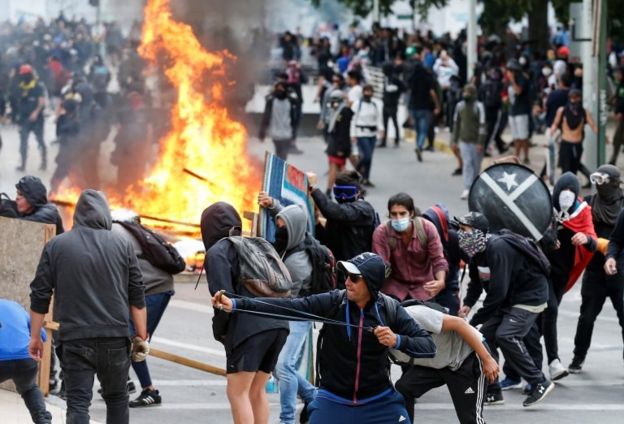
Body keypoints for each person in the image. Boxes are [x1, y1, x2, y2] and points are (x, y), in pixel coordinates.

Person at [212, 252, 437, 424]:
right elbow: (288, 307)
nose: (347, 282)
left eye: (355, 278)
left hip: (379, 401)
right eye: (346, 276)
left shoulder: (390, 309)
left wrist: (397, 340)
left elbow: (428, 346)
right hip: (333, 400)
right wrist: (237, 304)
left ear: (371, 283)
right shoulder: (333, 302)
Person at [29, 189, 148, 424]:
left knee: (77, 403)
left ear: (78, 214)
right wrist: (141, 335)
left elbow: (40, 295)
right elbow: (137, 294)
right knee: (116, 398)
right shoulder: (123, 244)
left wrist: (35, 337)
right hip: (115, 337)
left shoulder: (57, 245)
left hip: (74, 338)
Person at [200, 202, 289, 424]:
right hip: (279, 323)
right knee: (256, 391)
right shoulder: (256, 244)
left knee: (237, 392)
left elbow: (223, 299)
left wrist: (219, 332)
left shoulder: (218, 251)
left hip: (249, 328)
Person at [456, 212, 554, 407]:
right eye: (459, 230)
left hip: (530, 295)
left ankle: (539, 381)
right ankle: (493, 391)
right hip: (510, 298)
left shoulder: (497, 249)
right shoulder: (475, 252)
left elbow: (497, 294)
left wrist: (473, 321)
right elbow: (476, 283)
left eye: (464, 230)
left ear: (478, 232)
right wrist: (467, 304)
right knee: (483, 337)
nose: (460, 234)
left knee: (506, 335)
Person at [257, 194, 318, 424]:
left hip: (297, 315)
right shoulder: (296, 235)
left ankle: (287, 419)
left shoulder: (297, 262)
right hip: (286, 313)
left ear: (292, 230)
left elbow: (283, 296)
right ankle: (312, 395)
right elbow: (287, 218)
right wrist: (273, 206)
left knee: (283, 365)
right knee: (279, 365)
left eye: (282, 228)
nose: (278, 230)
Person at [111, 210, 178, 408]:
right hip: (151, 288)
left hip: (153, 289)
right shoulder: (125, 230)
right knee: (129, 337)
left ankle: (150, 391)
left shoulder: (114, 232)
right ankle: (124, 381)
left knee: (136, 340)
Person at [394, 302, 499, 423]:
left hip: (466, 356)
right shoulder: (376, 338)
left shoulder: (413, 315)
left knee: (470, 419)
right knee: (403, 389)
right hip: (437, 361)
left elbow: (459, 323)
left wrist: (487, 359)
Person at [570, 165, 624, 372]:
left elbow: (617, 241)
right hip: (594, 271)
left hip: (620, 273)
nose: (599, 187)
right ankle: (578, 356)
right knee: (586, 317)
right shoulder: (589, 204)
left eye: (603, 182)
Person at [372, 193, 448, 302]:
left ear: (411, 213)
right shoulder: (382, 232)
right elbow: (380, 264)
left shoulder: (427, 228)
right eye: (394, 214)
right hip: (394, 288)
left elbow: (438, 259)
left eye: (402, 213)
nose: (398, 218)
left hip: (424, 289)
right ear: (389, 215)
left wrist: (440, 281)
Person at [0, 299, 52, 424]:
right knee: (29, 389)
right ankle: (43, 421)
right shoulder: (15, 306)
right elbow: (42, 335)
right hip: (26, 359)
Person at [310, 170, 377, 263]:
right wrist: (317, 224)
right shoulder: (337, 213)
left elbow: (335, 211)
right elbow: (327, 241)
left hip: (357, 268)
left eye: (348, 192)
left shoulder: (364, 210)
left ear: (358, 192)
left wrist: (314, 190)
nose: (343, 197)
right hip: (339, 267)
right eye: (338, 192)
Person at [422, 204, 463, 315]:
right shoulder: (421, 236)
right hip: (426, 286)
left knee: (450, 320)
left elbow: (468, 260)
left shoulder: (453, 238)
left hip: (448, 286)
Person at [549, 89, 598, 176]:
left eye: (576, 98)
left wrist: (602, 136)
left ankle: (584, 181)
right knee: (566, 170)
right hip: (565, 144)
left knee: (574, 169)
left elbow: (593, 125)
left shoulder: (584, 112)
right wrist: (551, 133)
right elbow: (555, 124)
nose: (573, 100)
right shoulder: (562, 111)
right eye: (572, 97)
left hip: (577, 145)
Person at [452, 84, 486, 200]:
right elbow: (456, 124)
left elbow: (482, 125)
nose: (466, 94)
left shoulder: (479, 107)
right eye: (465, 92)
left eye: (468, 92)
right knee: (467, 164)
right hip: (464, 141)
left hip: (476, 142)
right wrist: (454, 140)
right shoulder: (460, 106)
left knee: (476, 166)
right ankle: (467, 187)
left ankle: (475, 188)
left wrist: (480, 142)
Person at [408, 59, 441, 162]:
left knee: (418, 131)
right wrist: (437, 105)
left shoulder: (412, 79)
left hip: (414, 108)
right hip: (425, 108)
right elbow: (432, 93)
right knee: (423, 130)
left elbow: (410, 95)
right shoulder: (427, 78)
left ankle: (418, 146)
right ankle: (420, 146)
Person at [16, 64, 47, 172]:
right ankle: (23, 164)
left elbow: (42, 101)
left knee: (40, 141)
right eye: (22, 75)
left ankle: (44, 162)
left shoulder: (37, 86)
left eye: (25, 74)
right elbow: (19, 102)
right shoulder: (21, 86)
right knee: (23, 142)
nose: (23, 77)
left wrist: (36, 112)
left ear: (29, 74)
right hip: (24, 119)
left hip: (37, 119)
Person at [351, 84, 382, 187]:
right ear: (363, 92)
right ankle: (355, 172)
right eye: (366, 91)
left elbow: (378, 118)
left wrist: (381, 129)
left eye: (370, 91)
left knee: (370, 157)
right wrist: (353, 134)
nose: (368, 93)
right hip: (361, 132)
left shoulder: (374, 105)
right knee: (366, 156)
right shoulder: (357, 104)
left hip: (372, 133)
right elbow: (353, 120)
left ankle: (366, 178)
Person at [324, 90, 353, 196]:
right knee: (337, 169)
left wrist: (341, 148)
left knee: (339, 169)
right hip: (334, 144)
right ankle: (336, 191)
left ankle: (346, 190)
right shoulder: (335, 111)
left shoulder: (344, 111)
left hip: (339, 145)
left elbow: (343, 131)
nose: (333, 103)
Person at [259, 81, 298, 161]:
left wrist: (293, 134)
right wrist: (262, 132)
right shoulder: (271, 102)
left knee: (282, 155)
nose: (280, 91)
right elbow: (266, 118)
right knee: (280, 154)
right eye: (278, 89)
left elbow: (293, 120)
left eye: (281, 89)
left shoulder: (290, 102)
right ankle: (280, 169)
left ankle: (279, 169)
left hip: (286, 134)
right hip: (276, 134)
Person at [506, 60, 531, 164]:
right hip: (512, 111)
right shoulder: (509, 81)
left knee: (523, 136)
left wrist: (512, 80)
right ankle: (517, 155)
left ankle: (525, 155)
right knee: (516, 136)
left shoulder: (522, 79)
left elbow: (518, 91)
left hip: (521, 111)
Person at [379, 63, 405, 147]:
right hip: (386, 103)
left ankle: (396, 140)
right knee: (385, 123)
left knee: (394, 122)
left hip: (392, 103)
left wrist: (396, 91)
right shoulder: (386, 79)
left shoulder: (395, 78)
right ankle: (384, 141)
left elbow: (403, 88)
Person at [609, 67, 624, 165]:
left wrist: (620, 113)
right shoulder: (620, 85)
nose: (617, 76)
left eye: (619, 74)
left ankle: (613, 160)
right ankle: (613, 159)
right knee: (617, 139)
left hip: (622, 116)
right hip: (620, 117)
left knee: (617, 139)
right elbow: (617, 98)